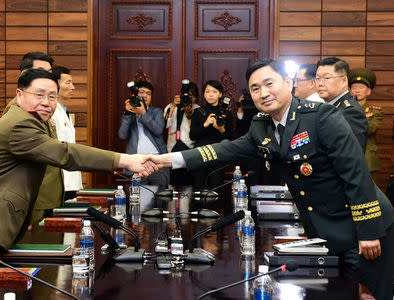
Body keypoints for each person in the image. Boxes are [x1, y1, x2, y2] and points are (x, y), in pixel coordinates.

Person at [146, 58, 394, 300]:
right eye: (255, 88)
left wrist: (368, 231)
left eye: (269, 84)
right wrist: (164, 159)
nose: (263, 93)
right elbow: (223, 150)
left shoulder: (321, 117)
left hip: (363, 229)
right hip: (325, 232)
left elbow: (356, 173)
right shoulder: (261, 125)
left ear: (288, 81)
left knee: (372, 292)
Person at [0, 69, 156, 283]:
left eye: (52, 96)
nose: (46, 102)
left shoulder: (34, 119)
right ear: (19, 95)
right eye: (39, 94)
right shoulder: (19, 124)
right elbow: (65, 153)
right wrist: (125, 160)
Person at [3, 52, 64, 225]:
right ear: (24, 75)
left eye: (50, 72)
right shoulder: (18, 109)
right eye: (41, 71)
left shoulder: (44, 107)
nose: (47, 77)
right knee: (33, 250)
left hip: (48, 196)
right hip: (33, 199)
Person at [118, 81, 170, 187]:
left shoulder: (157, 112)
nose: (145, 95)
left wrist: (143, 113)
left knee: (160, 198)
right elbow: (122, 135)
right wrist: (127, 113)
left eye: (148, 93)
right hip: (136, 163)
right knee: (137, 197)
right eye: (141, 92)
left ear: (151, 97)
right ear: (135, 95)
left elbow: (158, 130)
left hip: (157, 163)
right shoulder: (130, 114)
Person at [316, 57, 368, 150]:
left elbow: (352, 155)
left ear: (344, 81)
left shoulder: (350, 112)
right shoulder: (330, 106)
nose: (320, 83)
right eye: (318, 78)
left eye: (327, 78)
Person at [189, 80, 233, 189]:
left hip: (218, 155)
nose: (211, 94)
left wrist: (221, 129)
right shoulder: (198, 111)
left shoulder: (226, 113)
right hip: (200, 155)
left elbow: (231, 139)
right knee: (198, 188)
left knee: (216, 189)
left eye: (214, 91)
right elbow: (192, 136)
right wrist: (205, 124)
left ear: (220, 94)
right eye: (207, 91)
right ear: (204, 94)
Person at [51, 66, 83, 199]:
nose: (73, 87)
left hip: (71, 180)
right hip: (61, 181)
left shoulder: (63, 111)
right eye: (68, 82)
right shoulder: (52, 112)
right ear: (56, 85)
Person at [349, 68, 384, 184]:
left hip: (367, 160)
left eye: (361, 88)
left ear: (368, 91)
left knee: (371, 197)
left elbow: (369, 129)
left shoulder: (375, 112)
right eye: (354, 88)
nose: (357, 91)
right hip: (348, 159)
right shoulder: (343, 111)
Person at [163, 80, 200, 185]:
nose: (189, 98)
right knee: (173, 180)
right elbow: (165, 122)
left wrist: (189, 114)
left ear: (196, 97)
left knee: (188, 180)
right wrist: (174, 105)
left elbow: (197, 131)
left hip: (189, 147)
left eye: (192, 96)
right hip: (173, 146)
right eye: (186, 95)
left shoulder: (198, 110)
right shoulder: (171, 107)